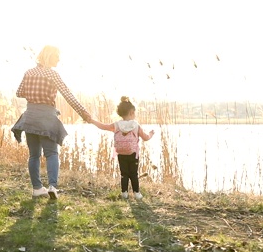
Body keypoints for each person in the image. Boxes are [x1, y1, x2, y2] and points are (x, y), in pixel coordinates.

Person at [11, 45, 92, 200]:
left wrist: (33, 93)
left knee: (34, 155)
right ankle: (53, 187)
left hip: (30, 117)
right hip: (46, 118)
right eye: (57, 56)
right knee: (51, 153)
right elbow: (68, 95)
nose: (59, 59)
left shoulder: (29, 73)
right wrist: (83, 112)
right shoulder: (52, 74)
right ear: (49, 56)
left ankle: (36, 188)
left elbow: (19, 92)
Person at [90, 96, 155, 200]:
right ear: (131, 112)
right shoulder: (135, 125)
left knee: (124, 173)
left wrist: (92, 120)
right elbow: (146, 138)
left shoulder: (116, 125)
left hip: (121, 153)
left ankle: (124, 193)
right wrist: (151, 134)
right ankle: (137, 194)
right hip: (133, 153)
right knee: (134, 174)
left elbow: (103, 126)